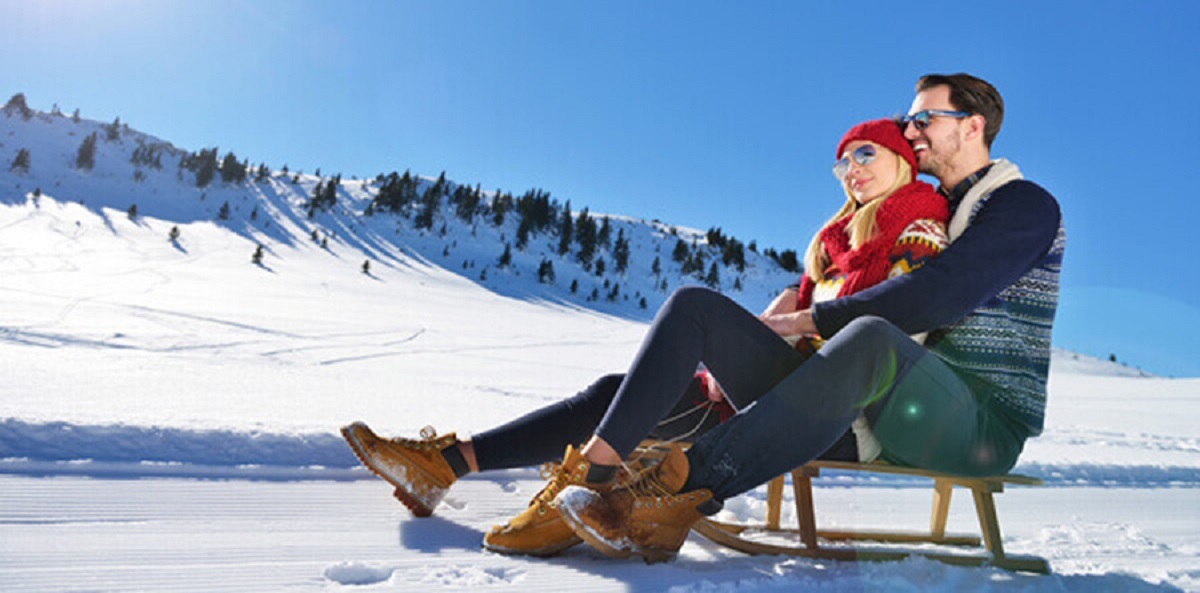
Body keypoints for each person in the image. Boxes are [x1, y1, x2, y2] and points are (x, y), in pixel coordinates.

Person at [347, 72, 1065, 564]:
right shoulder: (908, 215)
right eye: (905, 121)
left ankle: (668, 496)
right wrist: (781, 319)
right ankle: (449, 461)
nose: (913, 131)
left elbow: (935, 296)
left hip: (973, 421)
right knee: (691, 320)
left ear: (973, 125)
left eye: (923, 118)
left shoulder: (1021, 205)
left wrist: (805, 320)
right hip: (867, 395)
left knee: (867, 336)